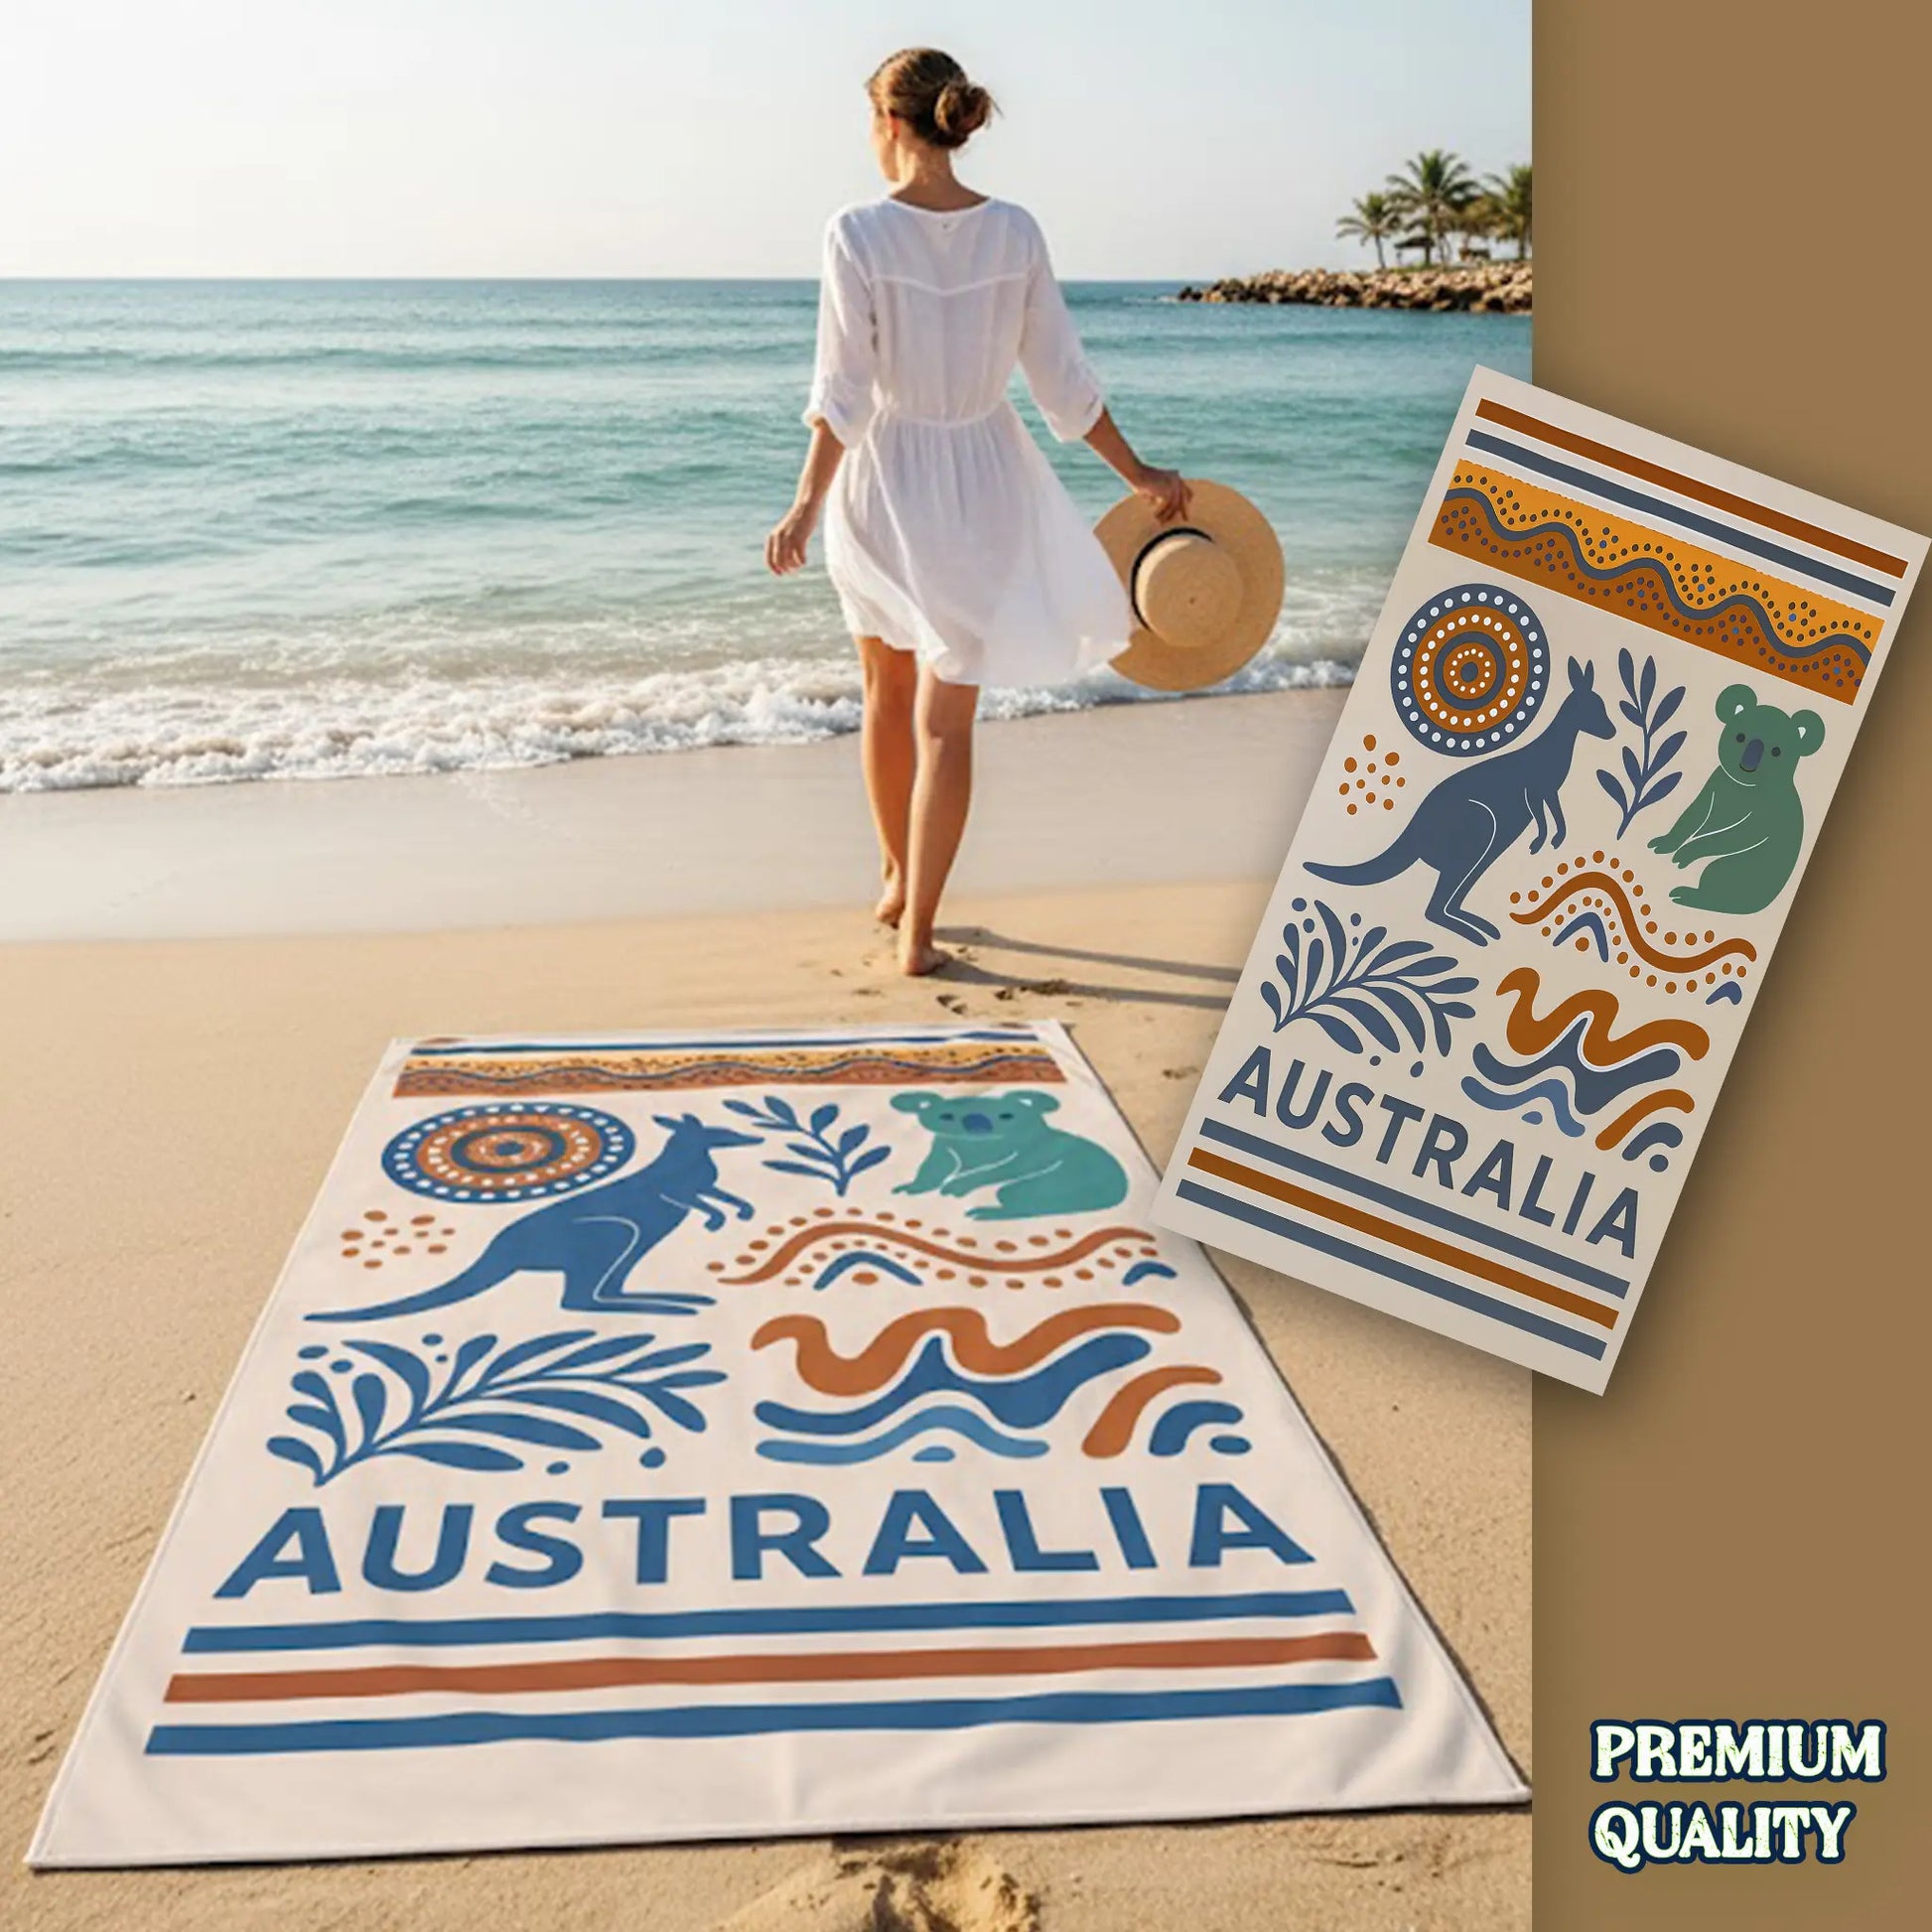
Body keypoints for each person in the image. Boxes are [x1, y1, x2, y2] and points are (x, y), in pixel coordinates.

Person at [765, 46, 1188, 975]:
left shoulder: (856, 232)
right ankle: (916, 925)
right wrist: (1137, 473)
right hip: (985, 479)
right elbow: (1063, 384)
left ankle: (895, 883)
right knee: (946, 722)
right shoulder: (1015, 232)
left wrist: (804, 505)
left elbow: (842, 392)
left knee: (885, 697)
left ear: (888, 123)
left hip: (882, 480)